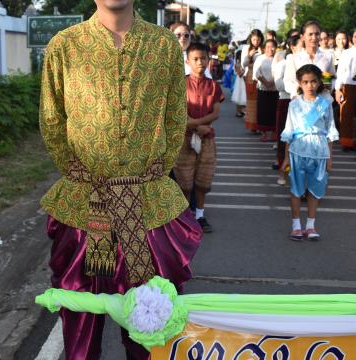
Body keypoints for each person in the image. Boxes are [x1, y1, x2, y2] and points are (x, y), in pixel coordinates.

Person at [38, 1, 203, 359]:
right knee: (81, 322)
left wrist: (158, 166)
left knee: (150, 325)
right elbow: (51, 118)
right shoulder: (65, 45)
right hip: (84, 205)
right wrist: (73, 168)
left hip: (148, 207)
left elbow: (176, 115)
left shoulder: (162, 46)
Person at [281, 64, 339, 241]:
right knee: (296, 189)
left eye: (313, 81)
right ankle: (296, 226)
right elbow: (289, 131)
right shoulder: (294, 104)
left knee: (315, 190)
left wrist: (330, 157)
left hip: (320, 151)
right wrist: (285, 158)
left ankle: (311, 226)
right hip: (298, 151)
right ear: (299, 82)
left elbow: (330, 130)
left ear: (319, 81)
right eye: (305, 82)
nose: (310, 85)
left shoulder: (325, 104)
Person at [173, 43, 224, 234]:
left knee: (203, 180)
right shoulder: (180, 83)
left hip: (206, 138)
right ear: (188, 61)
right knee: (184, 181)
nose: (200, 62)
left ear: (208, 60)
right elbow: (177, 113)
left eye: (203, 58)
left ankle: (200, 215)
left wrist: (200, 125)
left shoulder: (213, 86)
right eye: (195, 59)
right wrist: (196, 125)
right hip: (184, 139)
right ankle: (185, 216)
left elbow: (216, 113)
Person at [272, 34, 303, 185]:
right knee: (285, 139)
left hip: (309, 104)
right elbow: (278, 85)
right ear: (293, 47)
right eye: (302, 45)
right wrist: (298, 87)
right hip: (287, 101)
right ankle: (282, 173)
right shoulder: (285, 62)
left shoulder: (315, 59)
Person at [284, 20, 335, 99]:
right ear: (303, 37)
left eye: (317, 34)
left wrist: (328, 86)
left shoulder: (328, 57)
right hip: (301, 101)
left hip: (322, 102)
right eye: (310, 34)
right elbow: (288, 81)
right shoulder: (294, 58)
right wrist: (298, 90)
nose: (314, 38)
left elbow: (332, 78)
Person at [335, 29, 356, 150]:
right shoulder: (347, 53)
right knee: (346, 115)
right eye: (354, 36)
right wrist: (338, 89)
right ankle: (346, 143)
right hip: (348, 86)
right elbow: (340, 72)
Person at [253, 39, 278, 141]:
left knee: (273, 111)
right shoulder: (260, 58)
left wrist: (273, 82)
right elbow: (256, 73)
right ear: (264, 48)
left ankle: (273, 133)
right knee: (263, 111)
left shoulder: (279, 59)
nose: (270, 49)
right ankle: (264, 133)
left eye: (272, 47)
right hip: (263, 88)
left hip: (275, 88)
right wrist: (266, 82)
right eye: (268, 47)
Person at [242, 29, 264, 133]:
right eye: (254, 40)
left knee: (261, 101)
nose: (256, 42)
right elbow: (243, 64)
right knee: (251, 102)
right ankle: (252, 126)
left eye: (258, 40)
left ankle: (260, 125)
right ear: (251, 39)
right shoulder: (246, 48)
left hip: (262, 77)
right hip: (250, 77)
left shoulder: (263, 48)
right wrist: (249, 55)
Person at [231, 49, 247, 117]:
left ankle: (242, 110)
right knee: (239, 95)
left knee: (243, 96)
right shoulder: (237, 64)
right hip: (240, 81)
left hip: (244, 80)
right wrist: (245, 71)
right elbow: (240, 74)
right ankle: (238, 111)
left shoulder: (244, 63)